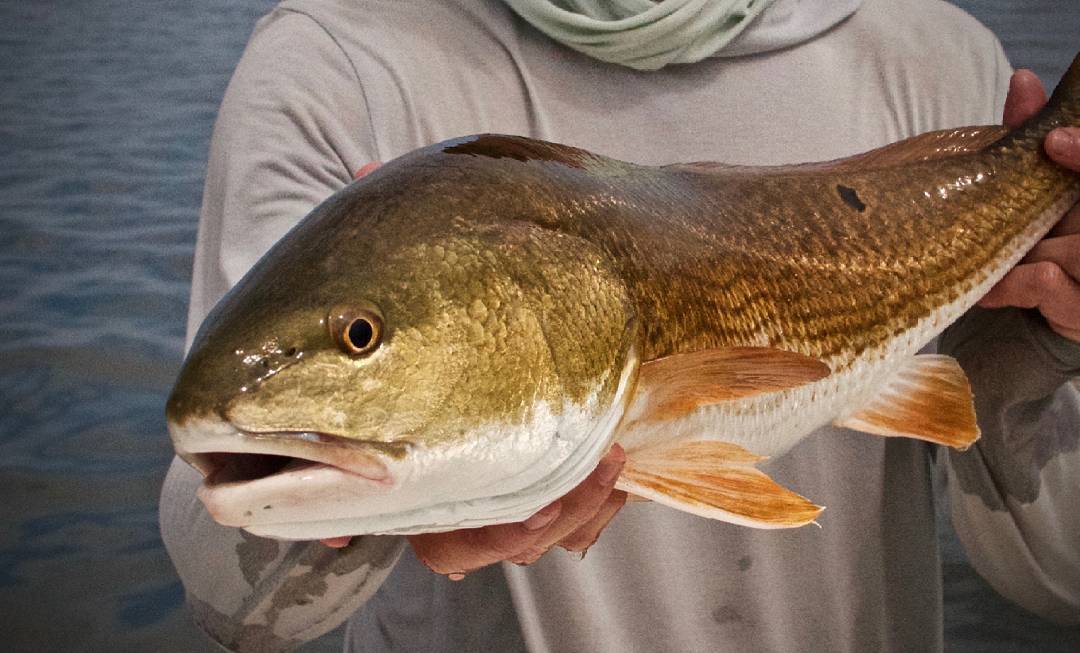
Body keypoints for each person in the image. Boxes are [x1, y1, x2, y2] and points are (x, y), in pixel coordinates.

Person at [160, 0, 1080, 650]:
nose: (360, 344)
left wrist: (1038, 352)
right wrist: (361, 526)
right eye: (362, 336)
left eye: (362, 337)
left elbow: (1059, 581)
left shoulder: (942, 58)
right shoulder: (333, 64)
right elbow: (232, 594)